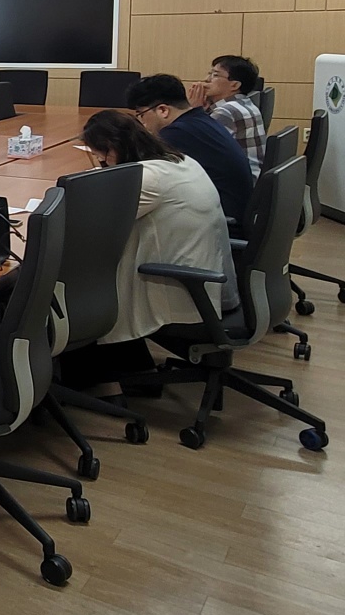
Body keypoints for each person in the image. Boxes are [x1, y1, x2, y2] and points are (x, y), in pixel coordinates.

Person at [61, 109, 237, 387]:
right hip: (201, 277)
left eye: (101, 155)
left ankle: (95, 376)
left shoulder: (148, 179)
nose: (102, 162)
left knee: (76, 277)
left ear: (114, 147)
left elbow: (87, 223)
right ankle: (133, 365)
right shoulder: (180, 161)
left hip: (178, 286)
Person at [127, 73, 252, 226]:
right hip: (231, 210)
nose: (142, 123)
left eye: (141, 115)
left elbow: (142, 177)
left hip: (224, 219)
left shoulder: (176, 134)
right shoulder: (199, 119)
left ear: (163, 110)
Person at [188, 55, 264, 177]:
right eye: (209, 73)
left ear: (235, 85)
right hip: (249, 176)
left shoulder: (225, 111)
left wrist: (193, 112)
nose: (206, 79)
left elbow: (194, 148)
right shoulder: (245, 103)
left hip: (236, 181)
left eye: (215, 75)